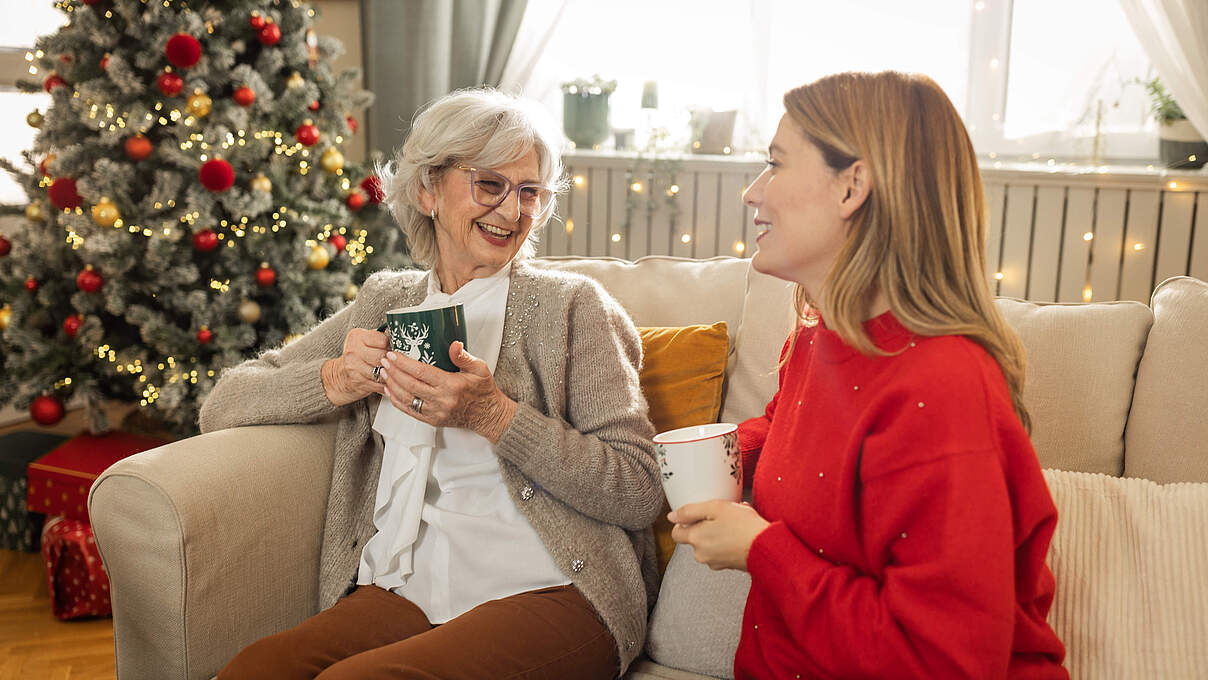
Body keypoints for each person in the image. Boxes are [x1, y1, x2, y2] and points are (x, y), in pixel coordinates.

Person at [202, 88, 662, 680]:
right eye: (490, 184)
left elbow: (638, 488)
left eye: (530, 192)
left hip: (556, 588)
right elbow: (224, 404)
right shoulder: (388, 301)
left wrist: (495, 416)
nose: (512, 211)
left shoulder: (572, 308)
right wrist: (336, 378)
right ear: (427, 189)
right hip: (409, 586)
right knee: (254, 670)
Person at [669, 71, 1069, 679]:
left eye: (775, 164)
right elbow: (785, 433)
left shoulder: (942, 388)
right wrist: (697, 456)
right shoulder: (817, 336)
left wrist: (760, 550)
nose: (753, 193)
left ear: (853, 185)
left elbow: (943, 663)